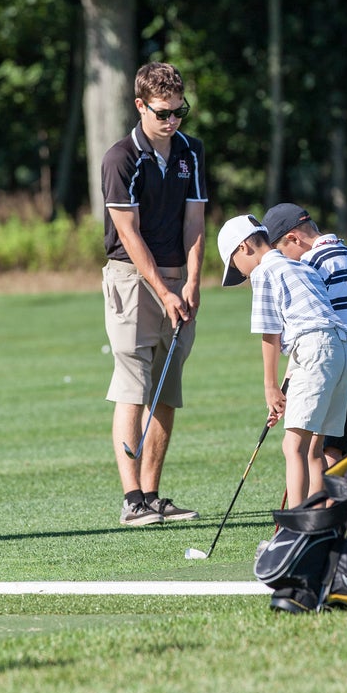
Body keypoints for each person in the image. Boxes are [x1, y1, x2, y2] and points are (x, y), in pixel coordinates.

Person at [101, 62, 205, 527]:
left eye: (180, 111)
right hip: (132, 278)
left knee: (167, 387)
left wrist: (193, 281)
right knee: (133, 385)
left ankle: (153, 495)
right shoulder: (120, 157)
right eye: (163, 113)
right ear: (140, 106)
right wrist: (164, 291)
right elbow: (129, 234)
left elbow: (195, 220)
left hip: (178, 278)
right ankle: (132, 501)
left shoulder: (191, 151)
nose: (172, 121)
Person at [217, 214, 347, 508]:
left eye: (235, 265)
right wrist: (284, 391)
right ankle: (318, 521)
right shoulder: (301, 266)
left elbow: (271, 333)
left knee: (293, 446)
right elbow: (308, 329)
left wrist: (270, 387)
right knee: (314, 447)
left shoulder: (264, 272)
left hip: (314, 349)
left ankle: (296, 526)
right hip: (340, 353)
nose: (241, 274)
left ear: (243, 247)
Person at [262, 202, 347, 466]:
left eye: (281, 252)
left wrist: (286, 384)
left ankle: (322, 496)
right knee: (343, 451)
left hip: (330, 371)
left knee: (322, 452)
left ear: (293, 238)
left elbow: (310, 328)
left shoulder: (309, 264)